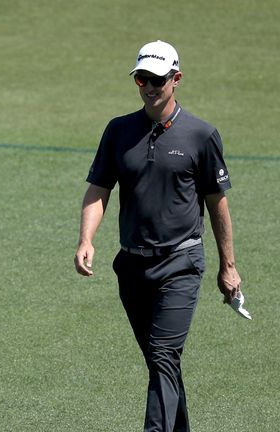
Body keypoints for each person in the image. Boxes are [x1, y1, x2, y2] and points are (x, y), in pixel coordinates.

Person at [73, 40, 242, 432]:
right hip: (132, 266)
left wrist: (228, 267)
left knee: (163, 354)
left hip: (180, 264)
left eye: (158, 79)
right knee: (159, 361)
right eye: (142, 79)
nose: (149, 86)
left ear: (176, 79)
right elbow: (98, 189)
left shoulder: (201, 135)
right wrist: (86, 239)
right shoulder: (119, 130)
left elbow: (217, 203)